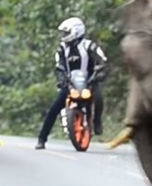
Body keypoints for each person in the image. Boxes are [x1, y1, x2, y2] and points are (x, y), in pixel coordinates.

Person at [36, 17, 107, 149]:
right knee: (54, 108)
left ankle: (97, 122)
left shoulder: (89, 45)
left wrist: (100, 73)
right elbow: (59, 65)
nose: (64, 36)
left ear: (76, 31)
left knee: (98, 98)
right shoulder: (62, 49)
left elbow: (102, 60)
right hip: (71, 84)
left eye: (66, 32)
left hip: (89, 81)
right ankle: (42, 138)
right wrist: (62, 78)